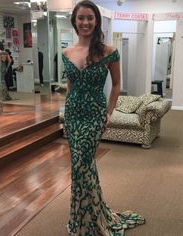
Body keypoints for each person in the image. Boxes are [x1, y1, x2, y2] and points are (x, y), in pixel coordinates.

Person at [62, 1, 145, 235]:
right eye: (81, 18)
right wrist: (65, 111)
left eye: (90, 17)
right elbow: (70, 85)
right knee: (84, 167)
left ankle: (86, 222)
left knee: (80, 166)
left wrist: (109, 112)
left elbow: (117, 84)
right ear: (75, 21)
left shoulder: (108, 51)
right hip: (73, 115)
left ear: (96, 20)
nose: (85, 22)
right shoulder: (67, 52)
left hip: (95, 114)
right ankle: (88, 216)